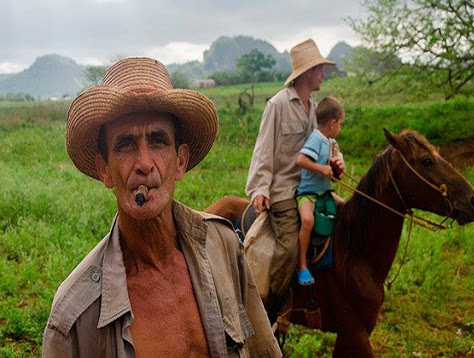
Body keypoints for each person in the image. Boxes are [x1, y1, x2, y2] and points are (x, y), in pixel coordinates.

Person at [42, 57, 281, 357]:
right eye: (126, 144)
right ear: (104, 170)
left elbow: (262, 350)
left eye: (158, 141)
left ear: (180, 161)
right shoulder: (75, 316)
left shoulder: (224, 246)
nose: (144, 164)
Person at [245, 39, 341, 321]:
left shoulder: (314, 108)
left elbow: (327, 141)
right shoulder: (277, 105)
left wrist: (337, 160)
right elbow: (263, 150)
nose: (323, 74)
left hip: (311, 186)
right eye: (320, 69)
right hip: (285, 190)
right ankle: (268, 314)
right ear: (307, 73)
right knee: (288, 249)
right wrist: (260, 188)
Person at [296, 96, 345, 285]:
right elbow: (301, 160)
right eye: (340, 123)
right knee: (307, 220)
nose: (340, 128)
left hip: (325, 192)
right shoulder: (316, 138)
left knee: (347, 209)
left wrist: (336, 165)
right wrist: (321, 168)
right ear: (333, 123)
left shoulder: (330, 142)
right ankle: (302, 266)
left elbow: (333, 163)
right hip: (308, 193)